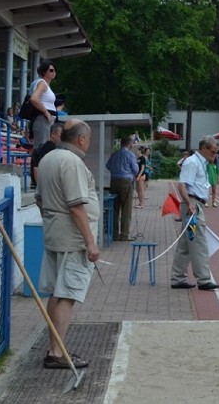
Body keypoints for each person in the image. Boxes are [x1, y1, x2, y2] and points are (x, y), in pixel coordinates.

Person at [35, 119, 100, 370]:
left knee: (57, 291)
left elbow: (40, 201)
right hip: (72, 240)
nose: (89, 143)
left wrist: (52, 223)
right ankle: (56, 352)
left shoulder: (49, 158)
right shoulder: (71, 162)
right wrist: (90, 242)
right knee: (67, 294)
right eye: (89, 138)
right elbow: (76, 207)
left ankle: (55, 347)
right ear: (81, 139)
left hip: (55, 234)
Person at [171, 136, 219, 290]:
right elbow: (182, 186)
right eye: (213, 152)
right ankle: (204, 279)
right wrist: (189, 204)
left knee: (186, 243)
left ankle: (177, 277)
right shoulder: (193, 162)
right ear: (203, 148)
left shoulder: (200, 162)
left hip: (194, 204)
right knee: (198, 241)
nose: (214, 155)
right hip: (192, 205)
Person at [105, 137, 139, 241]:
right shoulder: (130, 155)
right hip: (126, 181)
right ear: (129, 144)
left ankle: (114, 234)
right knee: (126, 209)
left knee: (114, 209)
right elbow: (136, 170)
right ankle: (124, 234)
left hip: (114, 181)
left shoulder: (115, 154)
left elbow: (108, 166)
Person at [29, 60, 59, 151]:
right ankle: (37, 165)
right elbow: (34, 98)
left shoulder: (44, 84)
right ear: (44, 72)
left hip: (46, 120)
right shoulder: (42, 83)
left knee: (45, 148)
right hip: (42, 119)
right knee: (41, 148)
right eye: (51, 70)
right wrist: (46, 112)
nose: (54, 72)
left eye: (54, 70)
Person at [31, 122, 63, 189]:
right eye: (61, 135)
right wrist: (40, 189)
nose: (63, 139)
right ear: (53, 134)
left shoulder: (50, 147)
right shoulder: (48, 148)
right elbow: (36, 168)